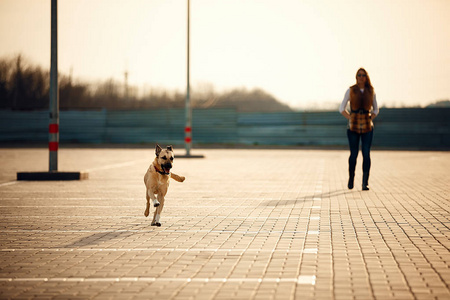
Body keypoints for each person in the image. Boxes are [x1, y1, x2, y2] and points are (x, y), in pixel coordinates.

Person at [339, 68, 379, 190]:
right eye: (358, 75)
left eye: (363, 75)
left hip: (367, 125)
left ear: (366, 77)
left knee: (366, 153)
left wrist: (369, 118)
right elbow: (341, 108)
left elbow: (376, 109)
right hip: (353, 125)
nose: (361, 77)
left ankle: (364, 182)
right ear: (356, 77)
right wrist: (350, 118)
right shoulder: (351, 90)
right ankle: (351, 179)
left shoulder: (371, 91)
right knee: (354, 154)